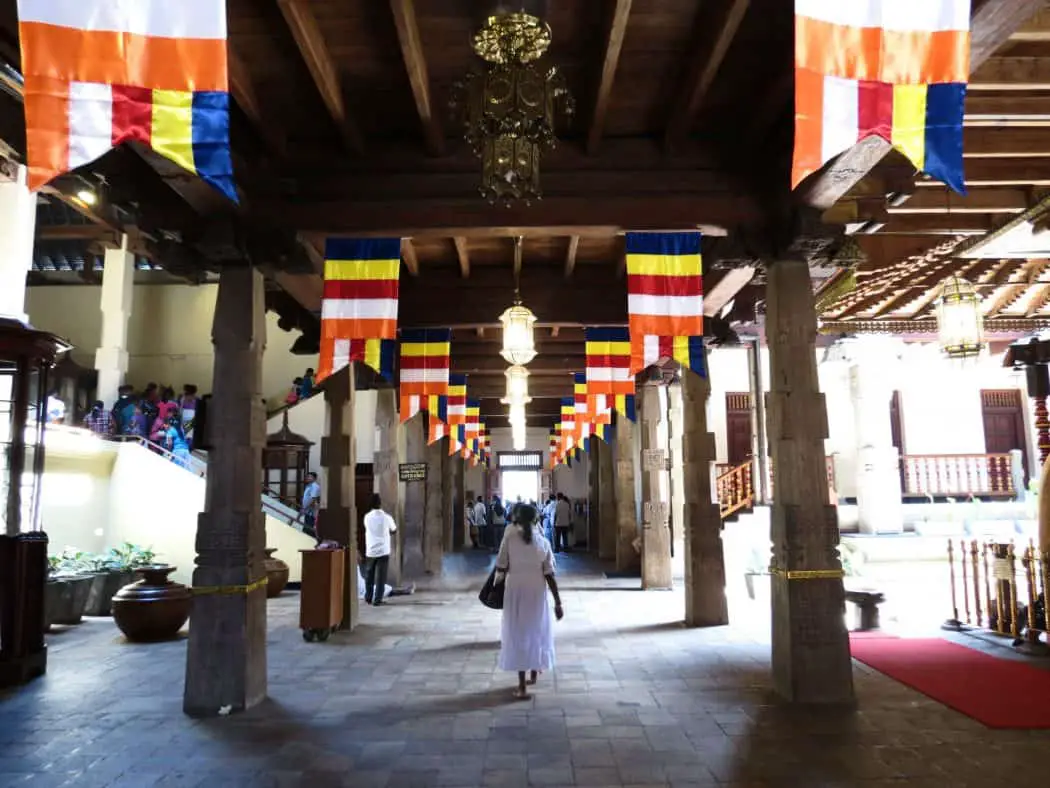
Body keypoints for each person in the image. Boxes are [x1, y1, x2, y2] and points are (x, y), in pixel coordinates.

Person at [494, 503, 563, 700]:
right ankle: (534, 672)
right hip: (536, 591)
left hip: (515, 589)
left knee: (518, 633)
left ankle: (522, 686)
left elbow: (501, 565)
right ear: (535, 519)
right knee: (536, 629)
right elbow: (550, 574)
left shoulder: (509, 537)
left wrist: (496, 585)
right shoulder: (543, 542)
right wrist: (558, 602)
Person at [362, 494, 397, 606]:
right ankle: (377, 600)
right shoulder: (387, 517)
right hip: (383, 550)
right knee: (381, 577)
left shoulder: (367, 517)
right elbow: (394, 530)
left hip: (371, 550)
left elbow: (368, 528)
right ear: (380, 503)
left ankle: (368, 597)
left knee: (369, 575)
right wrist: (387, 533)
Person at [300, 472, 321, 537]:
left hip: (311, 510)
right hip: (307, 510)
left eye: (310, 477)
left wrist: (305, 508)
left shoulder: (315, 486)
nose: (308, 478)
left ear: (314, 478)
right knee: (306, 527)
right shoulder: (308, 486)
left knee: (309, 528)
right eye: (307, 476)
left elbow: (313, 499)